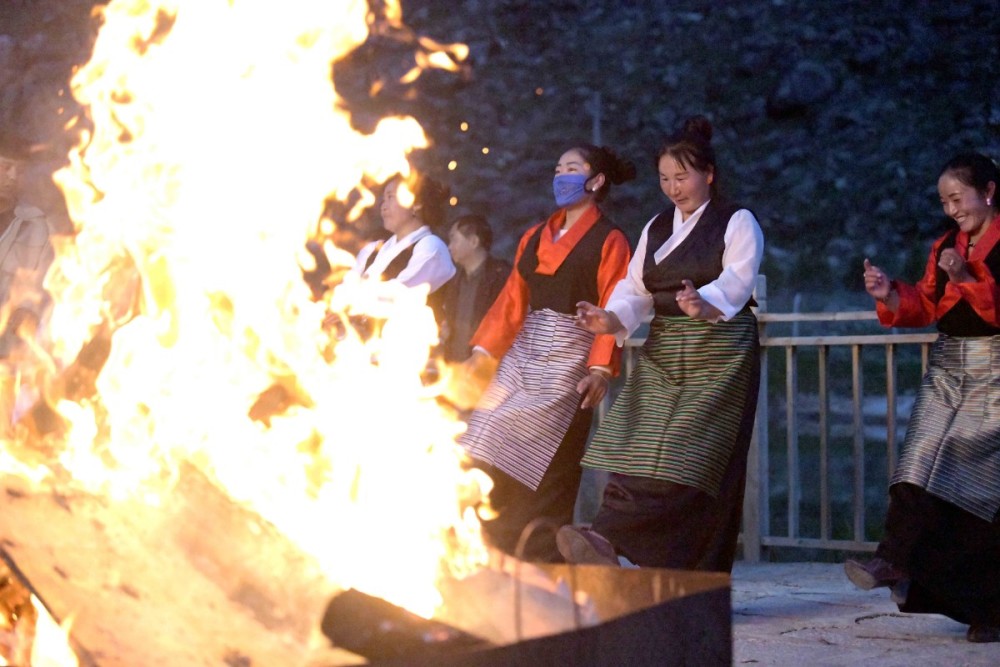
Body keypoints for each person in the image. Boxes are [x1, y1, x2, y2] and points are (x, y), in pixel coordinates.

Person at [556, 115, 764, 573]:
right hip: (666, 348)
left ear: (708, 173)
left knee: (691, 454)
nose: (673, 188)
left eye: (682, 177)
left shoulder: (736, 221)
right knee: (631, 439)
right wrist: (609, 317)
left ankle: (635, 547)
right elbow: (635, 289)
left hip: (720, 352)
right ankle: (609, 537)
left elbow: (738, 279)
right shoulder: (656, 227)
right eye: (665, 179)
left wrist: (703, 303)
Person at [844, 152, 1000, 644]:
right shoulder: (945, 246)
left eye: (958, 198)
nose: (952, 209)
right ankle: (893, 558)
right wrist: (888, 291)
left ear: (988, 192)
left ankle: (987, 609)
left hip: (995, 371)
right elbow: (926, 305)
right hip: (948, 368)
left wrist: (966, 278)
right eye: (944, 201)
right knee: (916, 464)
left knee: (973, 492)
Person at [459, 144, 635, 562]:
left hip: (572, 352)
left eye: (572, 169)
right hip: (524, 352)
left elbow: (613, 303)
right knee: (482, 434)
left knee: (546, 460)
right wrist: (483, 353)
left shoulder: (610, 239)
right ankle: (490, 548)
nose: (561, 176)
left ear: (596, 181)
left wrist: (599, 368)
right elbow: (512, 300)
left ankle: (540, 554)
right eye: (558, 168)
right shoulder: (535, 236)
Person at [0, 131, 53, 359]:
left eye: (20, 170)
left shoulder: (35, 228)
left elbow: (39, 291)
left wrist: (27, 312)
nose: (12, 176)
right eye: (6, 167)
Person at [440, 214, 510, 362]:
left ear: (473, 241)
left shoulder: (501, 278)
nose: (449, 246)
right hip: (455, 371)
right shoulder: (455, 281)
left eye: (454, 239)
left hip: (487, 371)